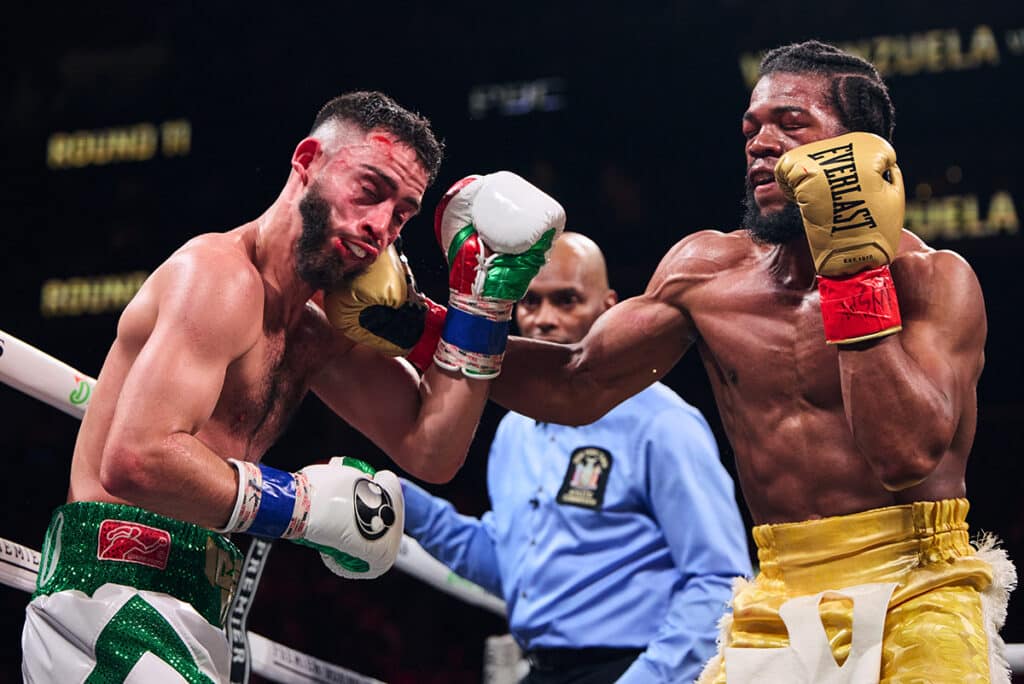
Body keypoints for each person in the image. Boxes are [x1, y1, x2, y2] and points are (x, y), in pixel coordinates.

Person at [486, 41, 1017, 683]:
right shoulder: (706, 272)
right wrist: (420, 325)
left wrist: (853, 269)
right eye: (752, 127)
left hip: (917, 582)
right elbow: (573, 384)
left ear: (862, 149)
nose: (760, 143)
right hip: (778, 588)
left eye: (790, 124)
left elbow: (903, 454)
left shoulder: (933, 281)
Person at [21, 91, 565, 683]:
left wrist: (481, 306)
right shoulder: (217, 278)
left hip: (197, 609)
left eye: (402, 213)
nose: (380, 226)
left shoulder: (316, 330)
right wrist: (304, 507)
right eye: (370, 189)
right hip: (106, 598)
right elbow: (135, 460)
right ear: (307, 160)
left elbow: (431, 449)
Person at [402, 232, 752, 684]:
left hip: (638, 665)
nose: (545, 320)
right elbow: (516, 564)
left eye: (566, 301)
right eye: (530, 304)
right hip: (543, 671)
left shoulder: (662, 424)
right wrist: (407, 505)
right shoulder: (514, 430)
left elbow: (720, 579)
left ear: (609, 307)